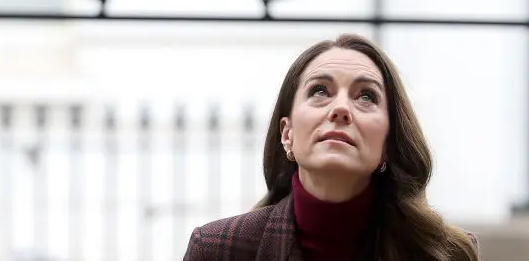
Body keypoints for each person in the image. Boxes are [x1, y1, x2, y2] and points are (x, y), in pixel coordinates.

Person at [182, 33, 479, 261]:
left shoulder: (445, 254)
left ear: (388, 143)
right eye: (320, 90)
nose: (341, 109)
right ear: (287, 134)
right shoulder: (218, 250)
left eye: (366, 97)